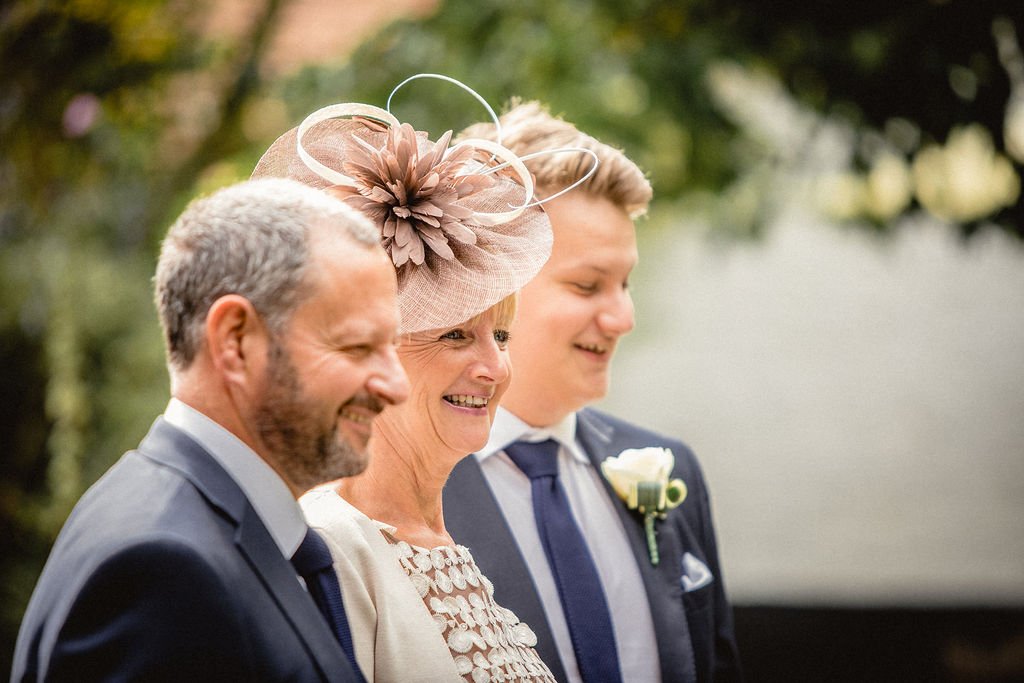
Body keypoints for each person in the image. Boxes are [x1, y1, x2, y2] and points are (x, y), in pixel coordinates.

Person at [11, 178, 410, 682]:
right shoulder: (164, 572)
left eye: (393, 346)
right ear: (235, 341)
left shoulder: (198, 528)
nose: (397, 387)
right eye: (357, 347)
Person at [251, 86, 562, 682]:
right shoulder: (327, 548)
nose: (494, 370)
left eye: (500, 337)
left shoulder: (442, 543)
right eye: (453, 337)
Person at [443, 102, 744, 683]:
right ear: (488, 285)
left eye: (625, 284)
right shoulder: (389, 495)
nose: (623, 317)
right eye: (588, 285)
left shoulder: (671, 471)